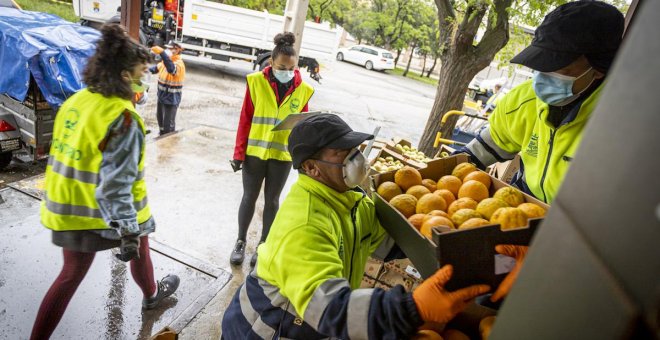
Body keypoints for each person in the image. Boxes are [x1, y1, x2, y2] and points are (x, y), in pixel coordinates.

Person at [222, 114, 490, 339]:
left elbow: (390, 242)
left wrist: (459, 250)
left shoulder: (350, 202)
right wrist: (412, 307)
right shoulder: (303, 224)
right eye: (343, 153)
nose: (357, 158)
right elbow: (329, 309)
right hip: (263, 329)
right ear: (312, 168)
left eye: (356, 149)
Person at [30, 24, 179, 339]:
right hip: (97, 212)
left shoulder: (77, 100)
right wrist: (127, 230)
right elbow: (116, 185)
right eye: (141, 72)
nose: (145, 79)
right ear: (125, 76)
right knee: (138, 244)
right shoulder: (123, 118)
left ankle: (151, 295)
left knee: (69, 275)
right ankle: (151, 297)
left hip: (65, 205)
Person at [462, 1, 624, 204]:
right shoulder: (523, 100)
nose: (542, 76)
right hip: (521, 206)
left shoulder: (623, 124)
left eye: (558, 67)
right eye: (540, 63)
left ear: (599, 68)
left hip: (576, 225)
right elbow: (479, 152)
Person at [229, 32, 314, 266]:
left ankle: (263, 245)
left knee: (272, 201)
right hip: (254, 154)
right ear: (271, 63)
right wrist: (238, 153)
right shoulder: (256, 82)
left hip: (282, 156)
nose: (287, 71)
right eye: (281, 66)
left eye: (292, 67)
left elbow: (302, 125)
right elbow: (245, 119)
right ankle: (240, 241)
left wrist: (303, 157)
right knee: (249, 197)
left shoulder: (303, 90)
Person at [149, 41, 185, 135]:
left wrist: (162, 53)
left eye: (170, 48)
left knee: (168, 125)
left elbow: (171, 69)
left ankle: (168, 141)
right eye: (167, 48)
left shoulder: (179, 64)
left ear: (177, 50)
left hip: (171, 99)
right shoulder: (166, 61)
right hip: (161, 97)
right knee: (160, 119)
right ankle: (161, 135)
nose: (168, 50)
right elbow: (154, 69)